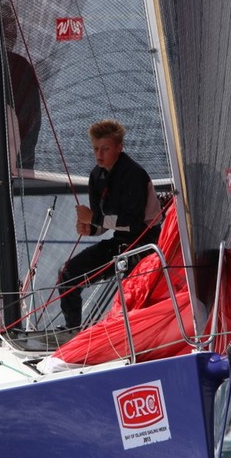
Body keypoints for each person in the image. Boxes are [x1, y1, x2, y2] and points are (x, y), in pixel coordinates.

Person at [57, 119, 162, 329]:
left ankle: (134, 330)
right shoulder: (96, 175)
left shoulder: (134, 174)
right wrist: (92, 229)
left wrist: (94, 219)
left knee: (132, 289)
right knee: (67, 274)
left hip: (146, 243)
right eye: (95, 148)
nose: (99, 155)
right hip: (119, 242)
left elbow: (132, 223)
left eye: (105, 149)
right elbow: (106, 222)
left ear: (119, 147)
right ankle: (72, 330)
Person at [3, 3, 41, 170]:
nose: (12, 31)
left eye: (13, 23)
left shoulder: (21, 67)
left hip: (17, 172)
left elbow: (31, 119)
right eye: (5, 23)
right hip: (11, 170)